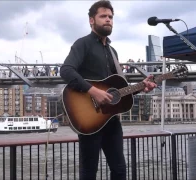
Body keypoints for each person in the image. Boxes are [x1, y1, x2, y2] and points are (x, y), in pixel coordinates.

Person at [59, 1, 157, 179]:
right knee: (89, 171)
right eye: (103, 16)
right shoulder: (83, 44)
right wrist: (93, 91)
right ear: (91, 20)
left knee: (119, 169)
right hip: (89, 118)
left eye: (110, 17)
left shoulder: (113, 51)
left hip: (110, 119)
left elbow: (117, 91)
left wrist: (142, 86)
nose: (108, 20)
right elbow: (66, 70)